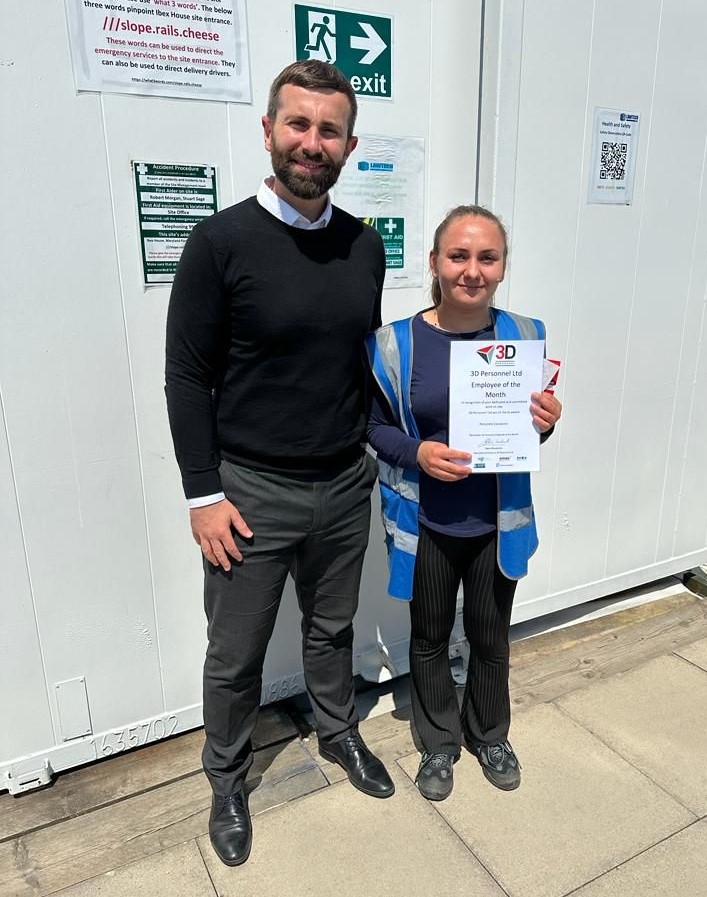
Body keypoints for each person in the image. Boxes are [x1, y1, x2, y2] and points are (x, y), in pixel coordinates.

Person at [165, 60, 394, 868]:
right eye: (296, 124)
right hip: (249, 492)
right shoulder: (219, 242)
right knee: (235, 656)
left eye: (328, 129)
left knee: (330, 629)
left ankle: (337, 733)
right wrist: (203, 495)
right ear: (268, 130)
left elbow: (359, 364)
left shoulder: (363, 247)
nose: (311, 141)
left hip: (340, 483)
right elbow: (187, 374)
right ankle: (226, 780)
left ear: (348, 145)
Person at [366, 205, 562, 801]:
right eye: (458, 256)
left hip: (495, 523)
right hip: (424, 521)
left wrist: (546, 423)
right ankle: (438, 743)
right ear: (434, 263)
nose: (472, 270)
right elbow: (371, 427)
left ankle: (491, 733)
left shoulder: (525, 336)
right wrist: (416, 454)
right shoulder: (394, 343)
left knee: (489, 634)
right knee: (427, 635)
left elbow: (530, 428)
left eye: (487, 257)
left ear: (502, 266)